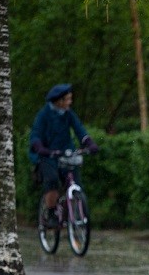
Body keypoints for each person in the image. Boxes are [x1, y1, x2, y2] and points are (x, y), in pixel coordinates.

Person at [29, 84, 99, 228]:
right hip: (49, 155)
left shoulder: (68, 114)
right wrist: (40, 148)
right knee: (52, 180)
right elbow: (35, 135)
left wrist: (89, 143)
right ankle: (51, 213)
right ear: (59, 101)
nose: (70, 102)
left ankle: (73, 211)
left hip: (66, 153)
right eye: (67, 99)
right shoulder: (44, 115)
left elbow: (80, 130)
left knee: (76, 182)